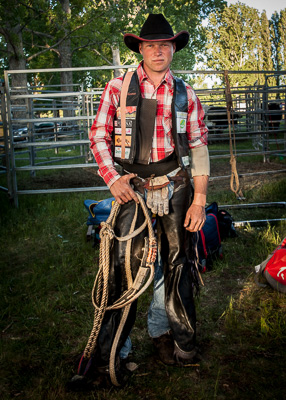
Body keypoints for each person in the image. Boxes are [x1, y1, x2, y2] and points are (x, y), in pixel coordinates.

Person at [70, 13, 209, 389]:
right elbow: (99, 134)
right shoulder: (118, 87)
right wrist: (112, 178)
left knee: (178, 262)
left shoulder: (186, 93)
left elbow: (197, 146)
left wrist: (199, 199)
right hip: (133, 185)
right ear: (141, 49)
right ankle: (114, 349)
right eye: (151, 45)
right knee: (123, 269)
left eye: (165, 44)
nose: (158, 50)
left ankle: (177, 341)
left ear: (173, 49)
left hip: (176, 184)